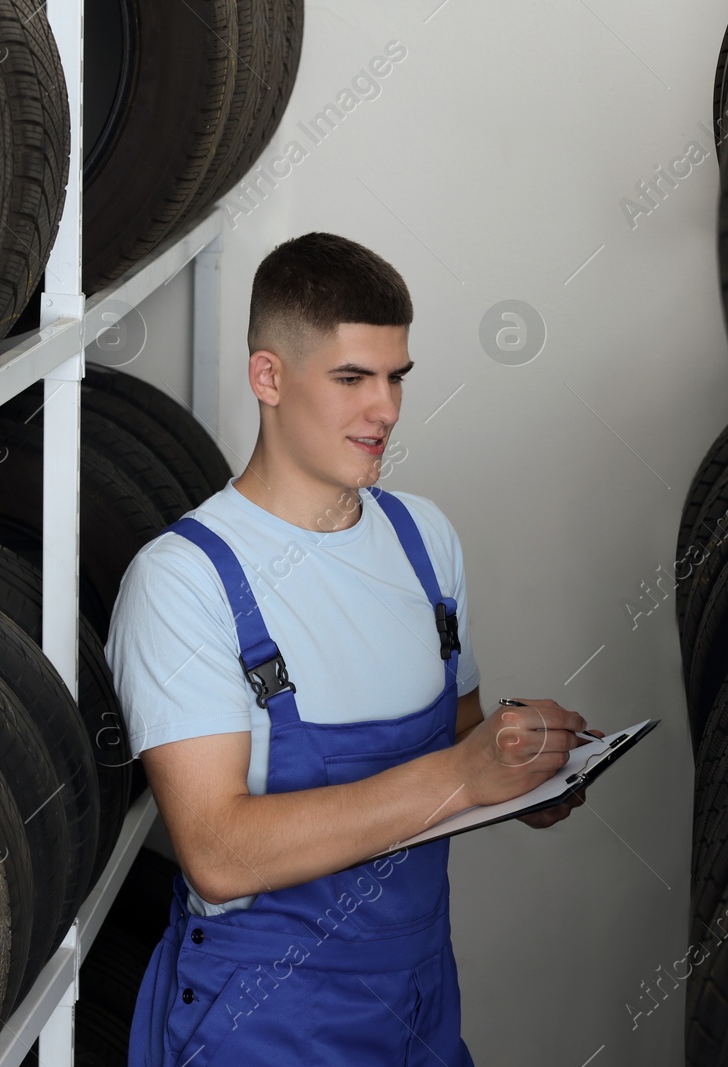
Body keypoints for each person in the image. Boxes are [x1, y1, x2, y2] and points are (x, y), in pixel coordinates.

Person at [105, 232, 595, 1067]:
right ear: (268, 377)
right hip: (264, 1020)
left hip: (418, 997)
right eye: (351, 379)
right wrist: (465, 775)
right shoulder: (184, 581)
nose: (386, 410)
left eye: (396, 376)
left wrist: (522, 775)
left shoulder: (423, 540)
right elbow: (219, 853)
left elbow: (455, 746)